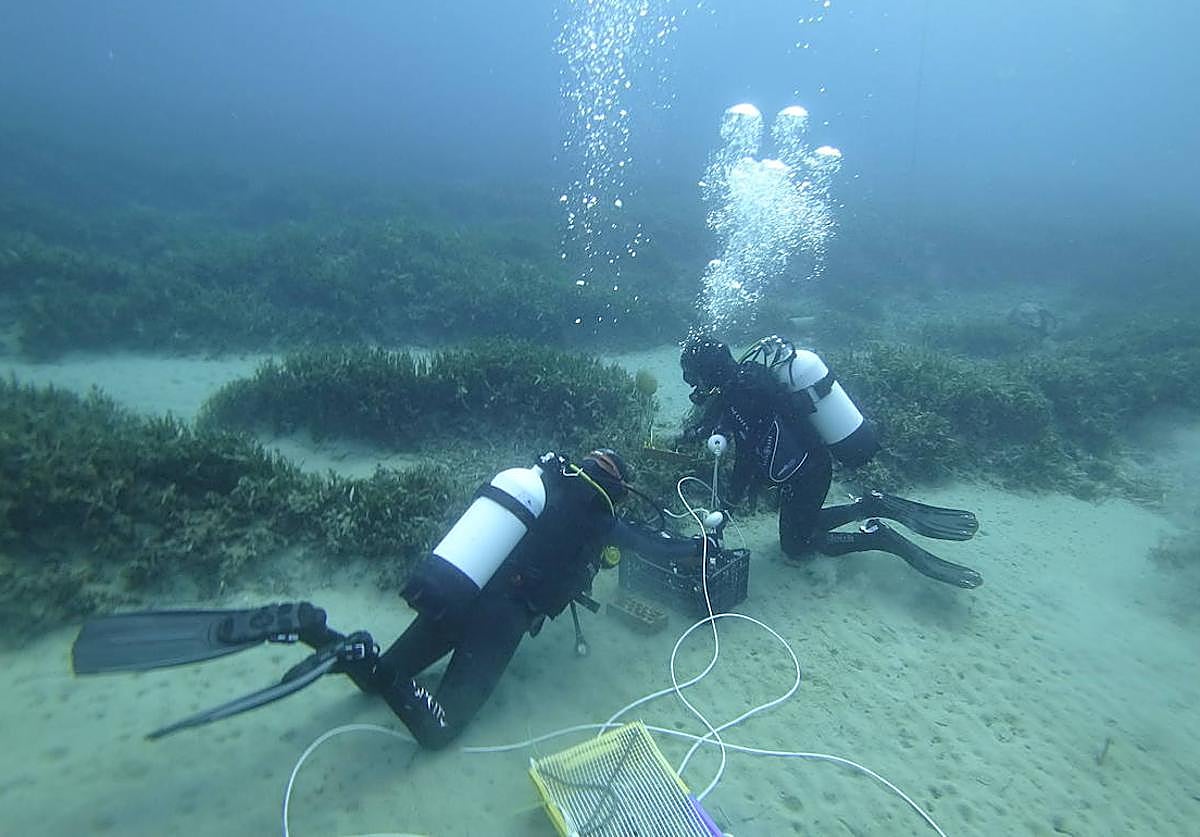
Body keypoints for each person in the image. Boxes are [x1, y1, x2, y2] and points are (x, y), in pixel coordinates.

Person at [72, 447, 718, 746]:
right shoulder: (599, 514)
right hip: (500, 616)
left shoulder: (543, 485)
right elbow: (655, 545)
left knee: (376, 678)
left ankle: (321, 631)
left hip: (459, 585)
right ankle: (360, 656)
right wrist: (701, 549)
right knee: (441, 731)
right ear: (616, 485)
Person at [679, 333, 983, 589]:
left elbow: (746, 458)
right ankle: (870, 505)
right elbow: (718, 420)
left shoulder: (742, 395)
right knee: (805, 523)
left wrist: (727, 508)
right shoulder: (745, 380)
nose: (697, 389)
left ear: (709, 373)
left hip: (807, 475)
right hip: (807, 469)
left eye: (697, 379)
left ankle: (880, 537)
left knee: (796, 547)